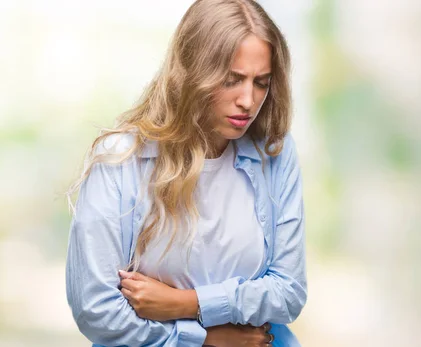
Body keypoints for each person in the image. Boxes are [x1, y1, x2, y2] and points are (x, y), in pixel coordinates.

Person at [65, 1, 307, 346]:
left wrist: (185, 304)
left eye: (261, 83)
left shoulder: (275, 153)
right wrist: (205, 338)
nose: (248, 100)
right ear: (192, 72)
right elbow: (97, 311)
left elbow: (289, 292)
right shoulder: (119, 161)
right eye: (232, 80)